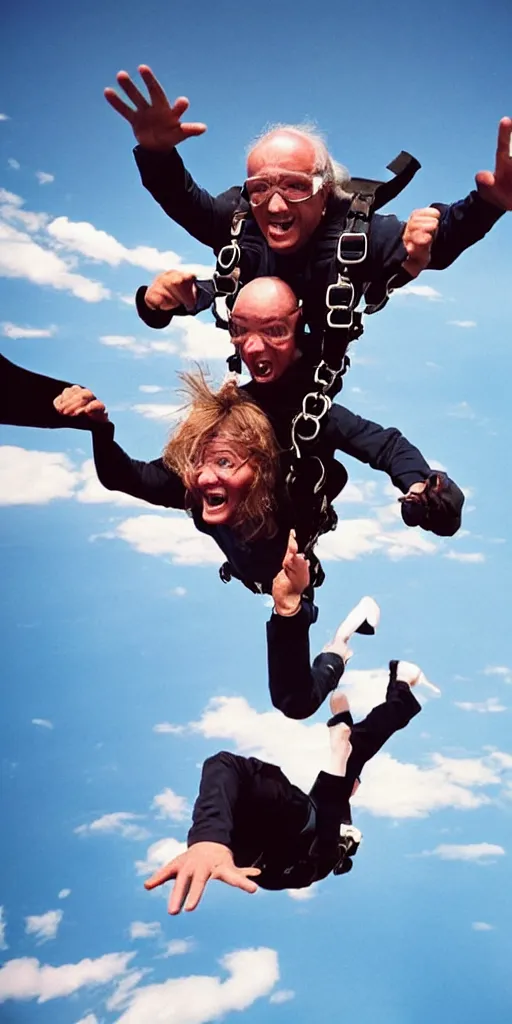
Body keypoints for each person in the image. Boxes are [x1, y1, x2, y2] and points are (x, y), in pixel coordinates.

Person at [105, 66, 510, 358]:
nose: (276, 205)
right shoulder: (238, 218)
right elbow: (180, 198)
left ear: (326, 191)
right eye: (260, 188)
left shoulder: (356, 233)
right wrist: (157, 153)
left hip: (314, 364)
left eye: (295, 186)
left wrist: (490, 203)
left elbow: (440, 242)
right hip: (258, 358)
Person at [143, 587, 437, 910]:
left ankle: (371, 674)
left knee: (339, 762)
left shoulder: (314, 844)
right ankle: (387, 681)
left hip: (279, 822)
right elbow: (332, 800)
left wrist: (208, 839)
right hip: (279, 825)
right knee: (342, 760)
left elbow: (329, 801)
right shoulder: (315, 850)